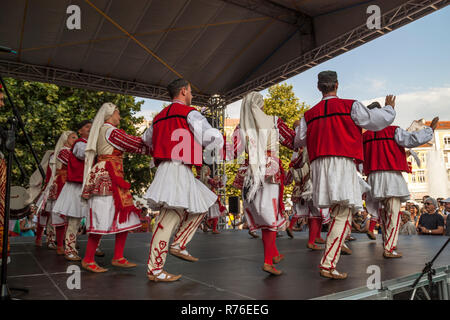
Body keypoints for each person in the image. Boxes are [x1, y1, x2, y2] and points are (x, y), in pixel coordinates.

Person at [294, 71, 396, 279]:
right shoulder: (350, 105)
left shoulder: (309, 114)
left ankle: (332, 256)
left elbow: (298, 141)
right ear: (337, 85)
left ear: (318, 87)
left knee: (337, 212)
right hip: (342, 161)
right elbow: (375, 122)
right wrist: (389, 109)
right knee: (343, 212)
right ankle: (328, 264)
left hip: (320, 165)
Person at [143, 79, 223, 282]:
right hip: (177, 168)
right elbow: (210, 136)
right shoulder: (190, 113)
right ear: (183, 91)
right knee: (167, 219)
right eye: (190, 91)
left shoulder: (158, 117)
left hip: (171, 168)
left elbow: (146, 141)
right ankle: (155, 269)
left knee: (205, 203)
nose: (192, 95)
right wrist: (212, 145)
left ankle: (178, 244)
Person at [232, 91, 296, 276]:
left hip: (251, 173)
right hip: (269, 171)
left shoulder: (242, 126)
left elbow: (234, 152)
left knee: (264, 215)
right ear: (261, 105)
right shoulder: (274, 121)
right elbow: (293, 142)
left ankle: (273, 254)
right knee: (270, 217)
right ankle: (268, 261)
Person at [81, 103, 149, 272]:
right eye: (118, 113)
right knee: (101, 215)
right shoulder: (110, 130)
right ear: (111, 114)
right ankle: (88, 259)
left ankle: (118, 256)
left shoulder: (106, 130)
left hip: (114, 175)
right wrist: (153, 139)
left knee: (124, 215)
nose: (120, 117)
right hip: (108, 175)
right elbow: (133, 143)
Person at [363, 105, 437, 258]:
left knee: (383, 213)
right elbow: (412, 139)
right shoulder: (393, 130)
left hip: (373, 177)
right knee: (394, 212)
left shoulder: (366, 135)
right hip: (391, 176)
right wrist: (430, 130)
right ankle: (390, 248)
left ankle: (387, 243)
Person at [52, 120, 92, 261]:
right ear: (80, 131)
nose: (90, 128)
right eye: (87, 127)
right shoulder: (80, 144)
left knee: (92, 219)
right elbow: (83, 154)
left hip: (87, 186)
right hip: (76, 187)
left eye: (92, 127)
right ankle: (69, 249)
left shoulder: (90, 142)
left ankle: (93, 248)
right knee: (74, 220)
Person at [47, 131, 77, 255]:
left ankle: (66, 243)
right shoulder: (63, 151)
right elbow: (74, 164)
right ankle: (60, 244)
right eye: (73, 137)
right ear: (65, 140)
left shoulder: (71, 151)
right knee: (60, 215)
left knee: (70, 216)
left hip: (68, 183)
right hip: (61, 184)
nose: (76, 139)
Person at [198, 166, 227, 234]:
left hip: (205, 198)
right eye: (209, 170)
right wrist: (223, 180)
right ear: (207, 171)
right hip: (212, 198)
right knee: (216, 213)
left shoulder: (201, 179)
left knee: (211, 213)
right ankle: (212, 227)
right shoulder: (208, 179)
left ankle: (206, 226)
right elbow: (217, 185)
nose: (210, 171)